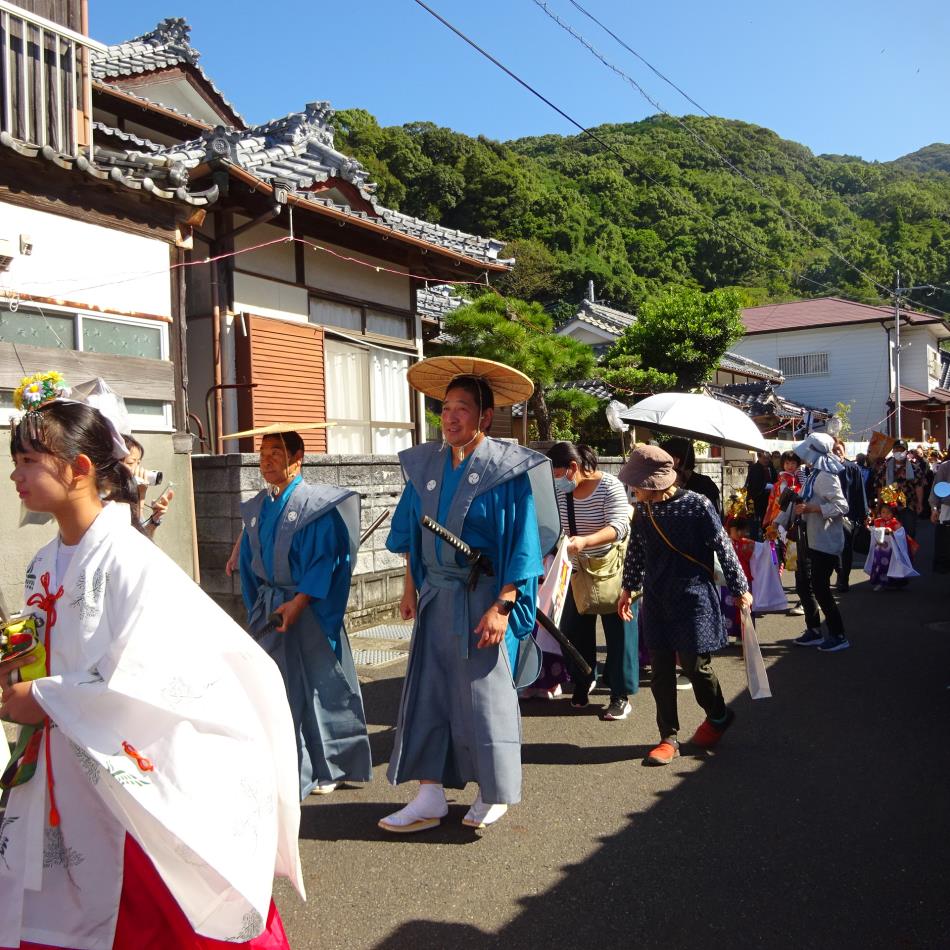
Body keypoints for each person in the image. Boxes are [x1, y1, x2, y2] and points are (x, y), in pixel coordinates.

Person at [1, 371, 302, 948]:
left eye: (30, 459)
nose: (15, 473)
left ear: (80, 468)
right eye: (15, 459)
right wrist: (17, 671)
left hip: (123, 763)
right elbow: (41, 644)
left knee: (148, 904)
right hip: (64, 755)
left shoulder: (130, 560)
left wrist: (41, 697)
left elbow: (147, 670)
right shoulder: (43, 560)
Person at [379, 357, 558, 833]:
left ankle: (494, 791)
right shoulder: (426, 466)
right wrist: (411, 587)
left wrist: (505, 605)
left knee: (484, 693)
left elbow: (522, 545)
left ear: (483, 417)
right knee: (429, 693)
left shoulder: (506, 470)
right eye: (444, 407)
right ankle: (430, 794)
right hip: (437, 596)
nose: (450, 416)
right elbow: (412, 534)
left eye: (461, 408)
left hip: (484, 598)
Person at [239, 427, 371, 799]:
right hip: (271, 608)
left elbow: (325, 560)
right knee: (279, 689)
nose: (266, 459)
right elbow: (251, 563)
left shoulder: (314, 507)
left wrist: (298, 603)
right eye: (263, 452)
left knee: (317, 687)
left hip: (307, 610)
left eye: (276, 453)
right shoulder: (257, 508)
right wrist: (257, 604)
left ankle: (330, 766)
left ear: (298, 459)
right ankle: (294, 767)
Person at [617, 445, 752, 766]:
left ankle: (718, 714)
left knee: (695, 665)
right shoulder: (643, 510)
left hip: (693, 596)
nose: (632, 488)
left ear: (655, 482)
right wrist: (628, 588)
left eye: (636, 483)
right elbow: (636, 550)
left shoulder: (697, 505)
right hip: (656, 597)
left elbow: (723, 546)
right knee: (661, 671)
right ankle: (668, 737)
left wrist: (740, 588)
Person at [547, 441, 637, 720]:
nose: (557, 481)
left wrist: (586, 540)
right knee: (573, 630)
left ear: (573, 468)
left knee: (618, 633)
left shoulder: (609, 485)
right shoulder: (562, 491)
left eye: (559, 474)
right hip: (574, 571)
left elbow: (620, 525)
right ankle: (584, 680)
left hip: (609, 569)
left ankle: (620, 695)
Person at [786, 433, 850, 652]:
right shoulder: (813, 474)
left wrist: (814, 509)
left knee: (821, 588)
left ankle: (838, 634)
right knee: (805, 585)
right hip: (811, 539)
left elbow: (842, 507)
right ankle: (814, 630)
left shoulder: (825, 476)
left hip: (825, 541)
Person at [121, 434, 175, 539]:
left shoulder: (131, 494)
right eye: (131, 462)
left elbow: (145, 541)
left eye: (138, 463)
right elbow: (133, 538)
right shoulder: (109, 499)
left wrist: (155, 519)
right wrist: (141, 496)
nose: (137, 469)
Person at [832, 440, 868, 593]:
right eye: (834, 449)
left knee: (846, 548)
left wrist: (864, 514)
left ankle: (843, 578)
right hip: (829, 515)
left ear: (845, 451)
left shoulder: (852, 468)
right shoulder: (825, 468)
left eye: (839, 449)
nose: (837, 452)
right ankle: (839, 572)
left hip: (849, 515)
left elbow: (860, 492)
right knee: (832, 548)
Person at [665, 437, 721, 515]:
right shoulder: (666, 485)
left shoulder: (705, 486)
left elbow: (715, 518)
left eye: (665, 457)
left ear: (676, 460)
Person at [744, 450, 776, 537]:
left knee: (766, 524)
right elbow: (752, 485)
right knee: (753, 523)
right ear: (759, 457)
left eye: (768, 458)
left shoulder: (771, 467)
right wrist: (765, 486)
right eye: (764, 458)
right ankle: (754, 542)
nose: (766, 460)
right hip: (753, 500)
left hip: (767, 500)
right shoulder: (754, 468)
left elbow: (775, 480)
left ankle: (766, 541)